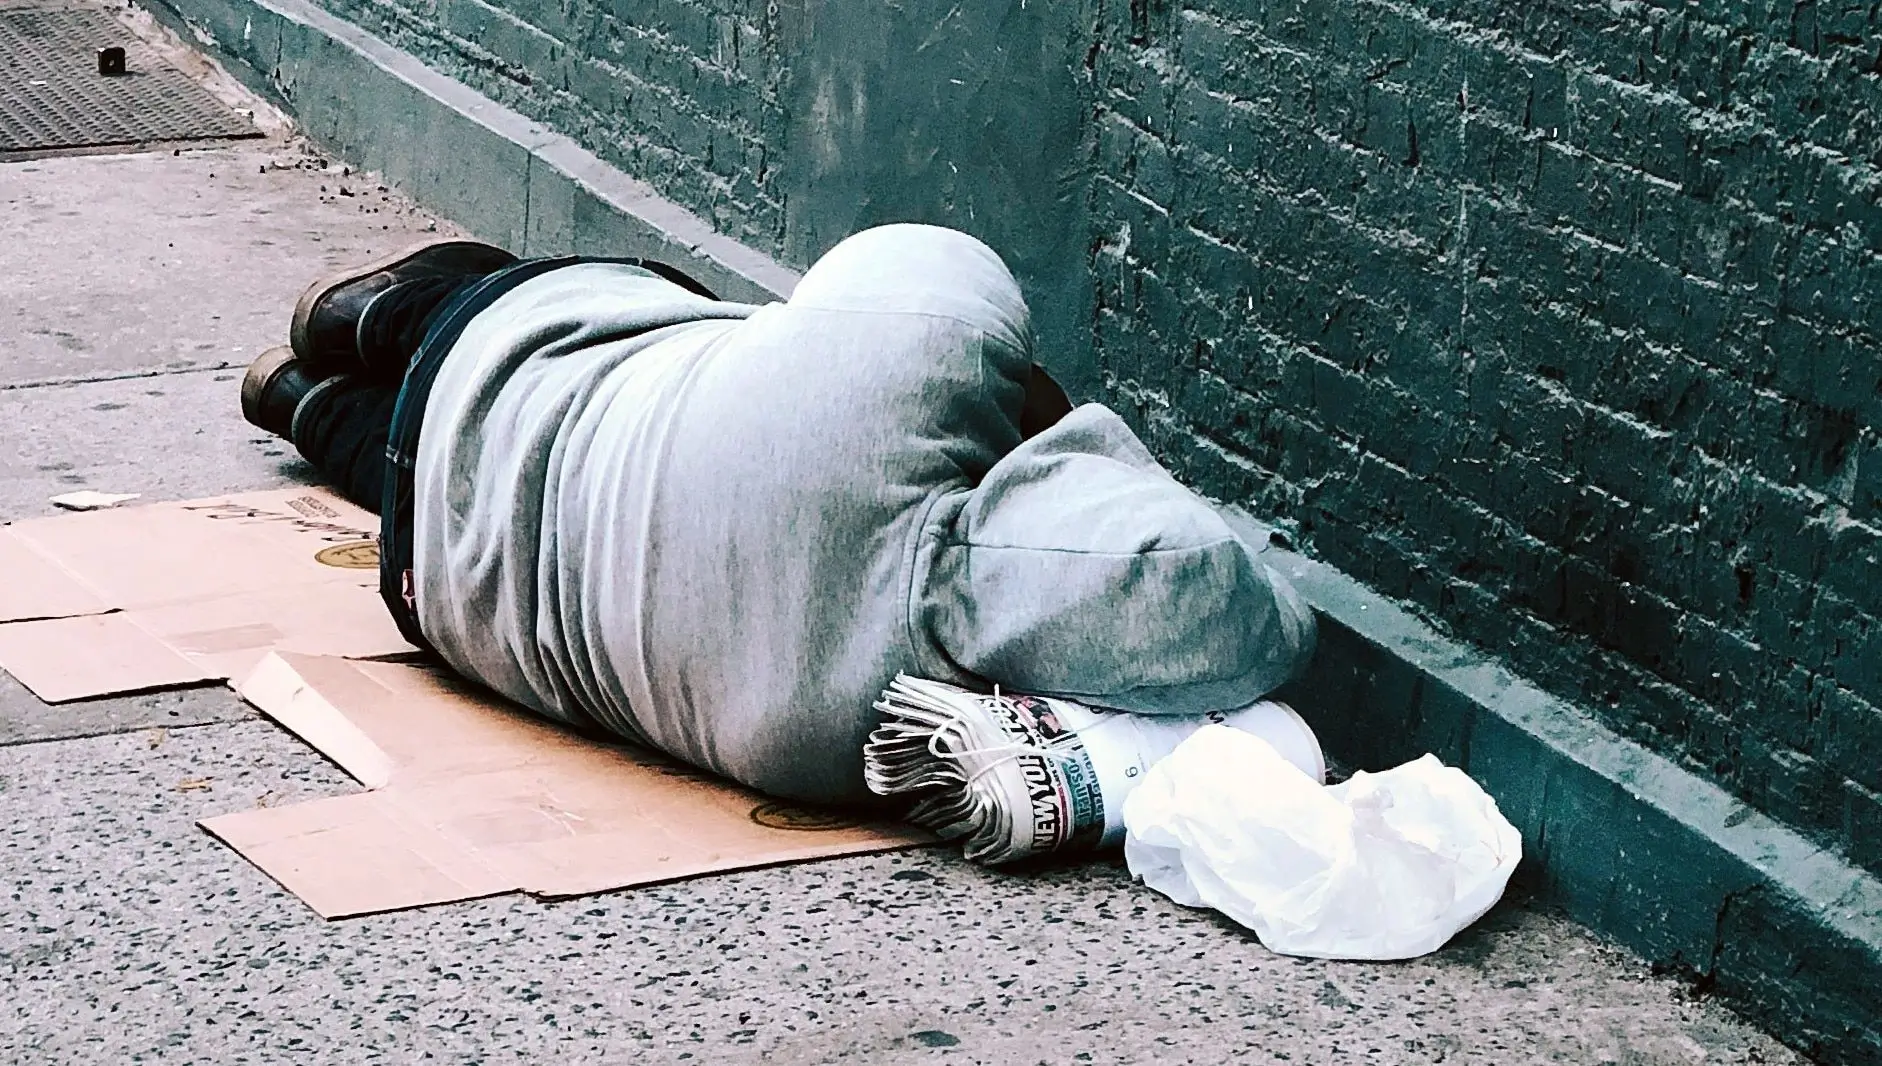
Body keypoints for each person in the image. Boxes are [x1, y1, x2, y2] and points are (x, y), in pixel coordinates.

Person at [241, 224, 1316, 806]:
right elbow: (1238, 615)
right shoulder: (849, 743)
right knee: (428, 476)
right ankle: (304, 405)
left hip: (522, 348)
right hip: (444, 582)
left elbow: (921, 259)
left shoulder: (909, 352)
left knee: (497, 317)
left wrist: (1043, 419)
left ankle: (354, 317)